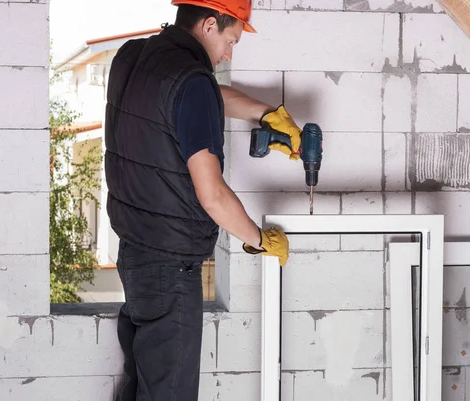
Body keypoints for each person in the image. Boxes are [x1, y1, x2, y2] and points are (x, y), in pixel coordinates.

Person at [104, 1, 303, 400]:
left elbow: (197, 94)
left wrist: (265, 114)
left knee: (143, 387)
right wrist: (258, 240)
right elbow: (212, 196)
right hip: (170, 267)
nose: (229, 53)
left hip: (134, 255)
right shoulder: (190, 80)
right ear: (209, 23)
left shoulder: (135, 57)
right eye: (230, 40)